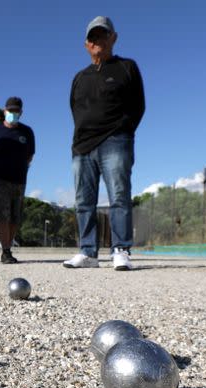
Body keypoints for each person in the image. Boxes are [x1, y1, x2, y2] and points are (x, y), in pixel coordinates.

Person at [64, 16, 145, 271]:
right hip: (82, 147)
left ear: (113, 37)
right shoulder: (79, 77)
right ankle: (88, 252)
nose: (97, 40)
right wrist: (81, 138)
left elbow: (138, 106)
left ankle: (120, 249)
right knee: (83, 201)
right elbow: (74, 108)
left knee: (119, 196)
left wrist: (123, 132)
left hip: (115, 141)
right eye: (93, 37)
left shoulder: (127, 67)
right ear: (86, 44)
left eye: (102, 35)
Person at [0, 97, 35, 264]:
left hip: (19, 178)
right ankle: (6, 251)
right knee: (2, 214)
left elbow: (30, 155)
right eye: (10, 111)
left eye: (16, 111)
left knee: (14, 216)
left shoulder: (27, 132)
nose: (13, 113)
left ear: (21, 112)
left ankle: (8, 247)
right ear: (5, 111)